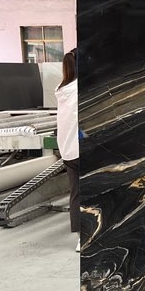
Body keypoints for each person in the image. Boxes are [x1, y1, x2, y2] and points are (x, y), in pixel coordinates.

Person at [56, 49, 80, 252]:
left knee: (76, 194)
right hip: (80, 148)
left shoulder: (60, 88)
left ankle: (81, 238)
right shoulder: (79, 89)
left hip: (67, 149)